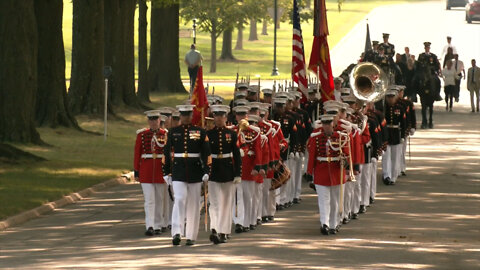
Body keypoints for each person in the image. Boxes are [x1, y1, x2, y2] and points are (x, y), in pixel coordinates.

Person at [163, 104, 211, 246]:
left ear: (191, 116)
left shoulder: (200, 132)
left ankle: (191, 235)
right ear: (180, 116)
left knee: (194, 203)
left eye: (188, 115)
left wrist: (207, 170)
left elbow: (206, 153)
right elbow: (166, 153)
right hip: (178, 170)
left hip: (195, 170)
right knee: (179, 199)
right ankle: (177, 232)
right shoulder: (172, 132)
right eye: (183, 115)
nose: (185, 118)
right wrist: (166, 172)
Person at [306, 114, 350, 235]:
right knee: (323, 200)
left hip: (336, 172)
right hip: (321, 171)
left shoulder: (341, 137)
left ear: (333, 124)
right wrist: (309, 172)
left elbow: (347, 154)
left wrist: (346, 162)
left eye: (328, 124)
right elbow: (312, 157)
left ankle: (333, 224)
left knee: (335, 200)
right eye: (324, 124)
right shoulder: (316, 138)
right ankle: (324, 223)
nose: (326, 126)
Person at [206, 105, 242, 244]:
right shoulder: (208, 134)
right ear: (213, 117)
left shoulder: (232, 134)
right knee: (214, 203)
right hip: (214, 170)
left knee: (227, 203)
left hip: (228, 170)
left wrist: (238, 173)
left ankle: (224, 231)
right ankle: (214, 229)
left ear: (226, 118)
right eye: (216, 116)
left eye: (222, 116)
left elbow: (237, 155)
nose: (219, 118)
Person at [133, 110, 169, 236]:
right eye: (151, 120)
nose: (153, 122)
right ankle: (150, 225)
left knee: (160, 199)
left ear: (159, 120)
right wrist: (136, 171)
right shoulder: (142, 135)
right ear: (148, 121)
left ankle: (158, 224)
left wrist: (169, 171)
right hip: (146, 170)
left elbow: (169, 153)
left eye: (156, 120)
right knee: (149, 200)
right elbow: (137, 153)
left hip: (160, 169)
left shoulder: (165, 134)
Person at [382, 88, 406, 185]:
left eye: (392, 97)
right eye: (388, 97)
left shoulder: (400, 108)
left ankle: (393, 176)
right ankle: (386, 175)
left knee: (395, 157)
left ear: (395, 97)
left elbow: (403, 123)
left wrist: (403, 135)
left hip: (396, 133)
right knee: (386, 156)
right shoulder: (383, 108)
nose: (390, 99)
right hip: (387, 133)